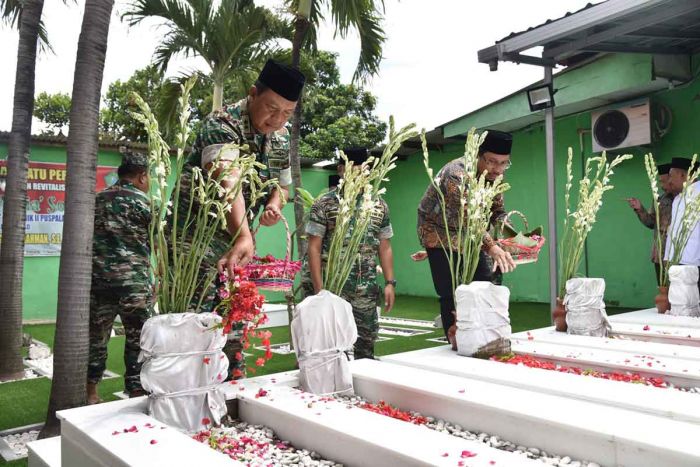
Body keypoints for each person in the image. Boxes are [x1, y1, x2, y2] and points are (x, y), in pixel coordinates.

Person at [175, 59, 305, 378]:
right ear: (252, 94)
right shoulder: (222, 124)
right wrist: (245, 235)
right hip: (195, 244)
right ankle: (187, 397)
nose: (276, 120)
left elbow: (283, 187)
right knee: (196, 326)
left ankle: (233, 390)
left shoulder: (279, 138)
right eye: (271, 108)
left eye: (287, 113)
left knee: (235, 322)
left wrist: (275, 202)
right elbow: (228, 180)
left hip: (238, 245)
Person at [417, 130, 516, 339]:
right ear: (479, 155)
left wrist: (511, 235)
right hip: (439, 232)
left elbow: (497, 212)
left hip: (471, 235)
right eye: (492, 161)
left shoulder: (495, 175)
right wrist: (493, 246)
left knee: (485, 283)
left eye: (504, 163)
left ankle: (484, 337)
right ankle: (456, 341)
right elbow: (469, 218)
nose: (497, 169)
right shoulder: (457, 174)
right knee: (452, 291)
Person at [304, 148, 396, 360]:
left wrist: (391, 282)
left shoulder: (378, 204)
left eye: (363, 170)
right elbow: (314, 247)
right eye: (352, 170)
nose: (358, 175)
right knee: (332, 345)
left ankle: (362, 388)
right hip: (333, 287)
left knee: (366, 343)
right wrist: (320, 291)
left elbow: (385, 245)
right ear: (341, 170)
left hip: (365, 288)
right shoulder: (325, 203)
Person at [87, 151, 153, 404]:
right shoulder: (145, 203)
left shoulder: (96, 200)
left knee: (96, 339)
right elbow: (155, 243)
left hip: (99, 283)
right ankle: (136, 391)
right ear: (142, 176)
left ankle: (91, 393)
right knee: (138, 338)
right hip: (134, 284)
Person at [626, 163, 674, 283]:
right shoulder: (660, 200)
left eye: (664, 181)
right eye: (660, 182)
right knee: (663, 290)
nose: (662, 186)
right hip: (660, 255)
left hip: (678, 256)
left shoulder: (687, 199)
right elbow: (651, 223)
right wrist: (639, 208)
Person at [665, 157, 700, 287]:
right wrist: (667, 257)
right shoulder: (678, 199)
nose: (669, 181)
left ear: (682, 175)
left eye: (670, 176)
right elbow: (673, 230)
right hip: (677, 263)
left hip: (694, 263)